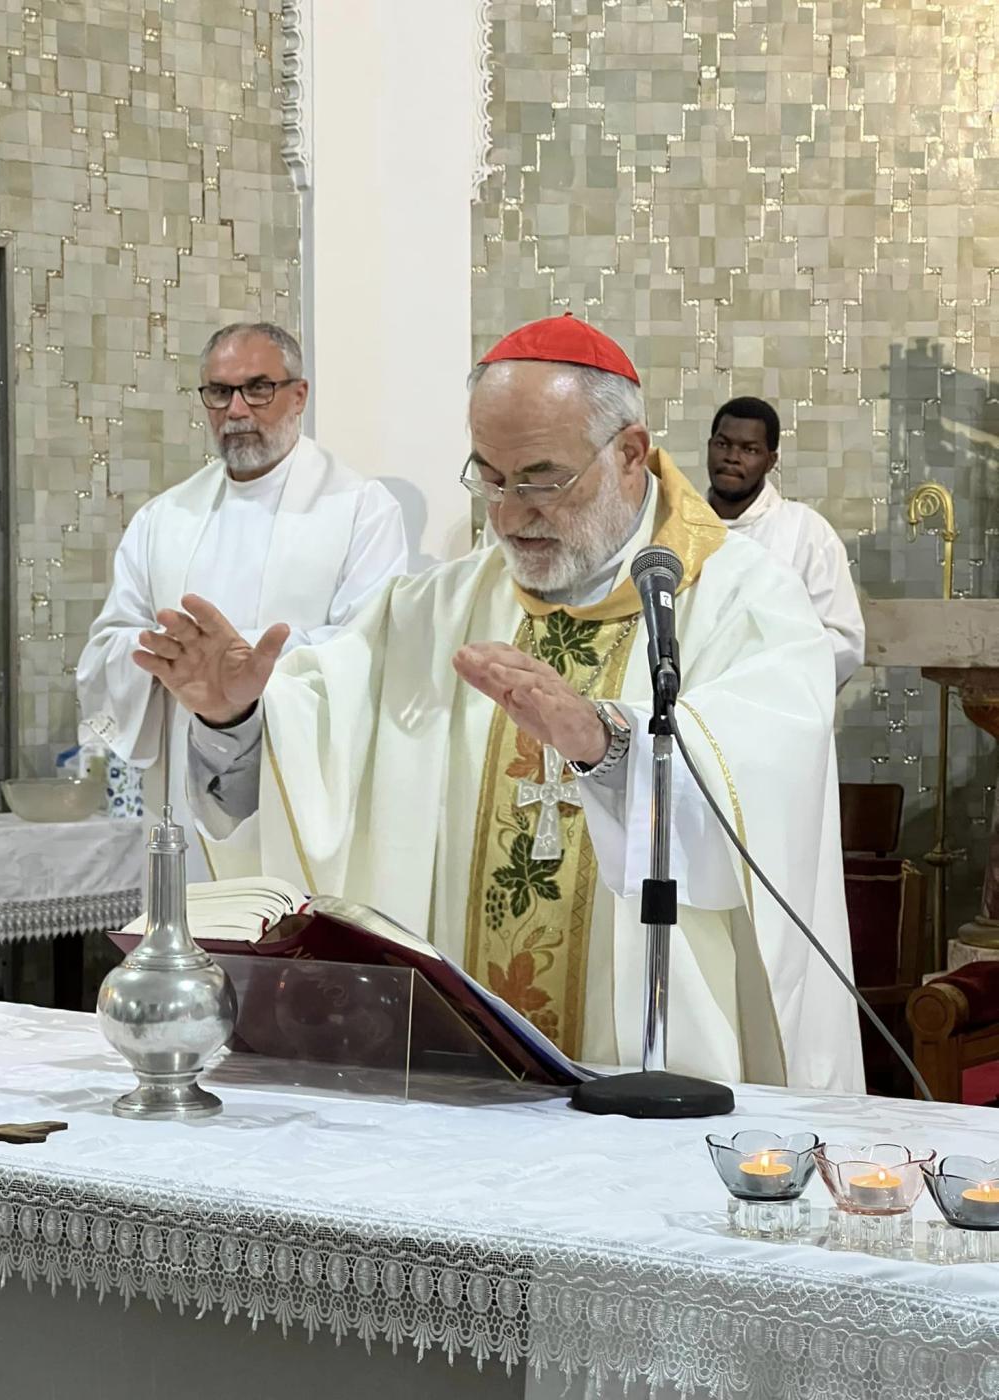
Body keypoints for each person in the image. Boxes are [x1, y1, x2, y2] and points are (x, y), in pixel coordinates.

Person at [134, 315, 863, 1091]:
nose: (511, 512)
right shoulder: (431, 612)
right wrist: (234, 720)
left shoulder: (745, 599)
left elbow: (775, 782)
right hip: (460, 1086)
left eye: (542, 478)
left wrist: (610, 745)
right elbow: (314, 760)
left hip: (661, 1078)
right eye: (489, 476)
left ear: (628, 454)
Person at [77, 321, 408, 876]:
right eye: (219, 392)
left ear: (298, 395)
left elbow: (371, 649)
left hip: (305, 798)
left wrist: (240, 663)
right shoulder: (164, 519)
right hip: (185, 807)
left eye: (258, 388)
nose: (236, 410)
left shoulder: (361, 509)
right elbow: (103, 650)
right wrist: (166, 654)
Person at [705, 396, 865, 688]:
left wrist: (761, 669)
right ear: (709, 447)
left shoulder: (806, 532)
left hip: (773, 707)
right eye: (723, 444)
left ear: (771, 461)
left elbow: (844, 643)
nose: (732, 457)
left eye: (749, 449)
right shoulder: (679, 527)